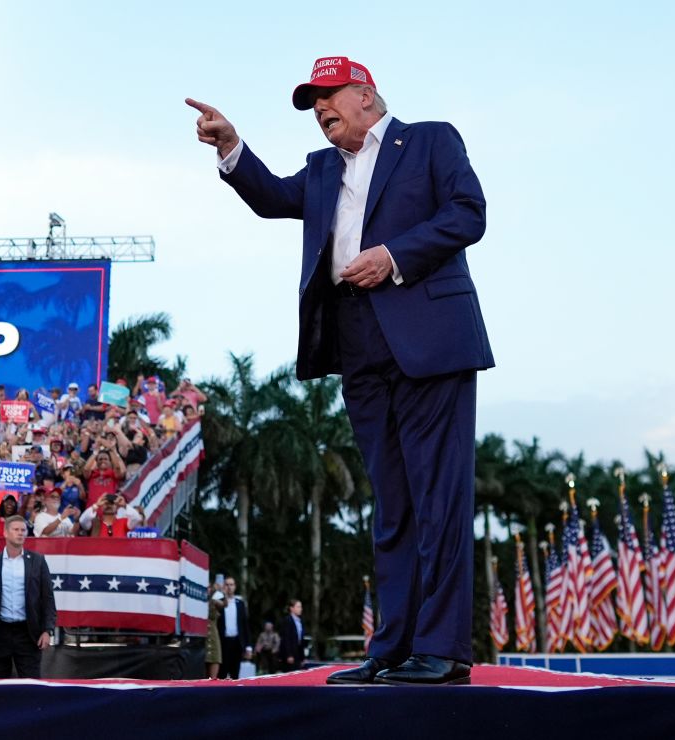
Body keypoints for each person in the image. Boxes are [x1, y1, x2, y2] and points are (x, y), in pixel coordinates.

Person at [188, 56, 489, 687]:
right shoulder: (324, 168)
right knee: (393, 505)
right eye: (311, 102)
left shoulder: (430, 138)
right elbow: (273, 198)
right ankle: (393, 649)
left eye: (328, 96)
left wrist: (393, 256)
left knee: (439, 497)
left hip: (428, 336)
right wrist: (233, 147)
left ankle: (443, 649)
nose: (320, 110)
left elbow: (468, 213)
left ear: (366, 95)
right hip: (356, 344)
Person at [0, 515, 57, 679]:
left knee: (31, 685)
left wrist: (47, 629)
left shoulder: (37, 561)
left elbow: (48, 598)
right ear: (5, 533)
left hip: (28, 634)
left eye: (23, 530)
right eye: (16, 530)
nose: (21, 533)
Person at [216, 577, 250, 680]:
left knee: (235, 673)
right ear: (223, 587)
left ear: (235, 587)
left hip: (237, 642)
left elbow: (245, 625)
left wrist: (248, 646)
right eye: (227, 584)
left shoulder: (240, 604)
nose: (229, 587)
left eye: (231, 585)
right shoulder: (218, 603)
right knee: (222, 672)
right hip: (223, 642)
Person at [278, 599, 306, 671]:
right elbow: (286, 639)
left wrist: (302, 658)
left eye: (301, 607)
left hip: (298, 654)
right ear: (292, 608)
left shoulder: (300, 621)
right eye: (298, 607)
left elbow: (301, 640)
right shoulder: (287, 620)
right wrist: (289, 655)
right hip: (290, 655)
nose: (300, 609)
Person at [205, 581, 226, 679]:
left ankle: (213, 682)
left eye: (209, 587)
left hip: (213, 633)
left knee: (215, 658)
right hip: (201, 635)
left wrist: (221, 592)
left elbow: (224, 604)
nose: (207, 589)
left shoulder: (214, 600)